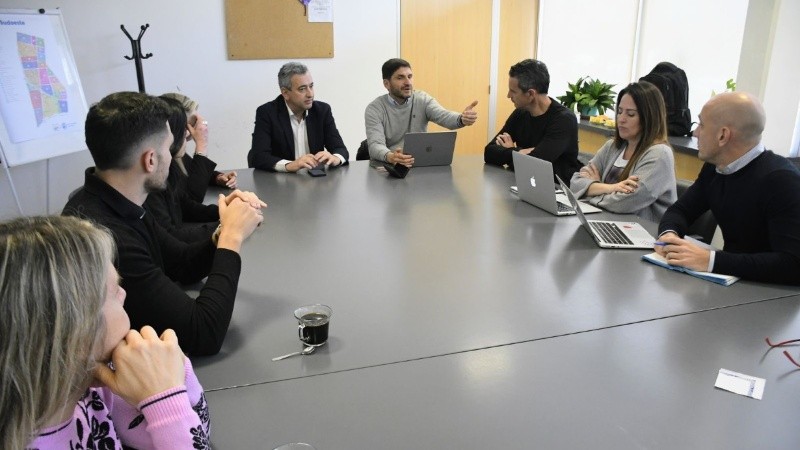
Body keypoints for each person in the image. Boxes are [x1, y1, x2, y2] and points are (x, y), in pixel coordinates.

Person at [63, 92, 265, 356]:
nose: (172, 158)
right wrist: (231, 239)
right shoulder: (107, 237)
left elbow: (180, 262)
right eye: (169, 148)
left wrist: (222, 231)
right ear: (150, 160)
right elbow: (203, 333)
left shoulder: (120, 200)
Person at [0, 215, 210, 449]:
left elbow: (195, 433)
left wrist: (172, 378)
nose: (123, 294)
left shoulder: (92, 391)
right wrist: (166, 399)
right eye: (112, 292)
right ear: (72, 333)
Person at [656, 92, 800, 284]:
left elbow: (792, 264)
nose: (695, 133)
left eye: (701, 125)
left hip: (770, 297)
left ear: (723, 135)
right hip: (732, 285)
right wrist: (669, 236)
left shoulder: (781, 181)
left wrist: (711, 260)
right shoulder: (715, 168)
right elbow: (680, 210)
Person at [569, 81, 677, 222]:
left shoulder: (659, 154)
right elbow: (575, 183)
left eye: (631, 114)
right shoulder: (612, 146)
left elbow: (624, 203)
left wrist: (593, 187)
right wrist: (611, 188)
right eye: (619, 112)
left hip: (644, 233)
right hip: (605, 221)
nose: (621, 119)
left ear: (649, 118)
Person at [365, 58, 478, 167]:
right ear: (386, 84)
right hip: (389, 165)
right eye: (400, 78)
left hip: (417, 163)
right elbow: (375, 145)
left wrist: (462, 119)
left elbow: (444, 116)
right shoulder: (375, 109)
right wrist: (390, 156)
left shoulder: (422, 99)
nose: (408, 82)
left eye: (410, 76)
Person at [484, 59, 581, 185]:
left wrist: (510, 151)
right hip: (523, 184)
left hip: (556, 190)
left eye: (513, 91)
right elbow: (489, 152)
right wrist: (519, 152)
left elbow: (534, 164)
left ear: (530, 94)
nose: (508, 95)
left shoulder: (564, 120)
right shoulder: (521, 112)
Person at [248, 62, 349, 172]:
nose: (310, 94)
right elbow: (259, 156)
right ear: (285, 93)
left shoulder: (322, 111)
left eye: (311, 86)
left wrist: (335, 158)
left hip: (315, 181)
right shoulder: (267, 113)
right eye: (302, 89)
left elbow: (340, 149)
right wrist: (289, 165)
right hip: (280, 182)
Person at [144, 96, 220, 243]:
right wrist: (228, 226)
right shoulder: (153, 181)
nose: (188, 133)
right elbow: (193, 195)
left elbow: (183, 203)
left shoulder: (167, 166)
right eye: (186, 127)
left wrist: (225, 211)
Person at [161, 92, 238, 201]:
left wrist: (217, 178)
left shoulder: (177, 153)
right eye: (193, 123)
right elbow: (193, 197)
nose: (199, 126)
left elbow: (191, 170)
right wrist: (202, 144)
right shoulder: (166, 158)